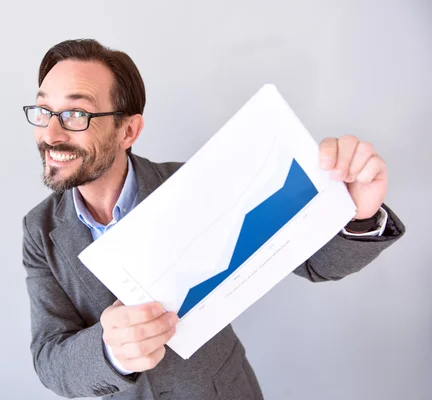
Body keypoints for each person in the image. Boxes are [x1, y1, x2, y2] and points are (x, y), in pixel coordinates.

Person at [21, 39, 405, 400]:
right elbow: (49, 356)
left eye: (75, 114)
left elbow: (315, 263)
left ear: (128, 130)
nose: (50, 133)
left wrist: (356, 211)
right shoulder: (39, 231)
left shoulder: (196, 186)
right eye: (43, 111)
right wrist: (109, 350)